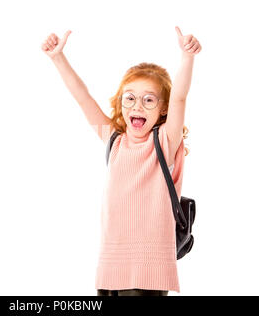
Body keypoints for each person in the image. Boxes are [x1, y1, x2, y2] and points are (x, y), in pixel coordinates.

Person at [41, 26, 201, 296]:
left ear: (163, 108)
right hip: (111, 266)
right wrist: (58, 57)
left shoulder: (165, 141)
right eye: (130, 98)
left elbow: (180, 98)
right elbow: (83, 98)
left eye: (149, 100)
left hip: (148, 271)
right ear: (121, 102)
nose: (138, 106)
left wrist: (187, 58)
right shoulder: (114, 140)